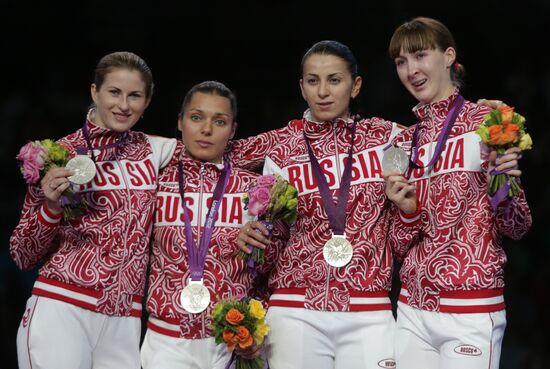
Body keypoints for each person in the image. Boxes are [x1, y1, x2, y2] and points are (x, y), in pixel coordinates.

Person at [235, 40, 403, 369]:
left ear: (355, 86)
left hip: (368, 309)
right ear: (302, 87)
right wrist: (252, 241)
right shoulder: (282, 149)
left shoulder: (388, 139)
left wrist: (481, 112)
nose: (323, 91)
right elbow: (272, 239)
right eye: (313, 81)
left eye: (334, 80)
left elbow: (439, 134)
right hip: (295, 309)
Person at [10, 51, 177, 369]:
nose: (124, 105)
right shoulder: (57, 155)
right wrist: (50, 207)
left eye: (135, 95)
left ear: (148, 101)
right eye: (114, 92)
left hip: (124, 320)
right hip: (63, 308)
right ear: (94, 92)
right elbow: (22, 254)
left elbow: (219, 151)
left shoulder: (157, 151)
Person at [383, 17, 532, 369]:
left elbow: (518, 226)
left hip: (471, 309)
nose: (411, 70)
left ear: (448, 56)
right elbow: (397, 247)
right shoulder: (403, 144)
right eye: (401, 62)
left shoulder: (489, 120)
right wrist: (407, 212)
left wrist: (503, 185)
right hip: (412, 310)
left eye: (420, 55)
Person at [140, 81, 286, 369]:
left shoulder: (255, 189)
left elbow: (275, 269)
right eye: (196, 118)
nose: (206, 130)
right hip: (166, 340)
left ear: (232, 131)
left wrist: (256, 329)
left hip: (231, 342)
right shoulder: (155, 181)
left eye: (219, 122)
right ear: (180, 122)